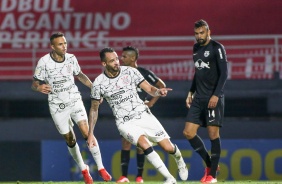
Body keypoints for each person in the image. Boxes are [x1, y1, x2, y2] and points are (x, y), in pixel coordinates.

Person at [87, 47, 188, 184]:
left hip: (143, 114)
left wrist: (158, 92)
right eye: (112, 60)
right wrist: (90, 133)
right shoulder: (98, 83)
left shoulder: (131, 72)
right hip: (125, 122)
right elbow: (94, 109)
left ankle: (179, 160)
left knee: (168, 147)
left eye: (117, 58)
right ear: (104, 64)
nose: (117, 62)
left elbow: (150, 88)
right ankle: (170, 178)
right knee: (143, 144)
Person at [31, 32, 111, 184]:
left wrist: (95, 89)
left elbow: (79, 75)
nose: (64, 46)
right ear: (52, 46)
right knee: (70, 139)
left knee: (88, 132)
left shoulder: (71, 58)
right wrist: (39, 87)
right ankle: (83, 168)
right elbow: (35, 83)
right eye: (60, 44)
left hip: (74, 99)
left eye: (65, 43)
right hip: (57, 105)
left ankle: (101, 168)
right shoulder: (44, 62)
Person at [183, 19, 228, 183]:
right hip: (198, 98)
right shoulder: (195, 48)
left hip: (213, 97)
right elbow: (198, 72)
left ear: (209, 32)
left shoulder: (217, 48)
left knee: (213, 134)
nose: (199, 36)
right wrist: (191, 90)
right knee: (188, 132)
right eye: (196, 33)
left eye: (202, 33)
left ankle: (212, 177)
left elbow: (224, 74)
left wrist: (216, 95)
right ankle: (210, 164)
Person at [116, 46, 166, 183]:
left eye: (124, 56)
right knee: (126, 142)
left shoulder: (143, 72)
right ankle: (124, 176)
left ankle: (139, 176)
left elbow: (161, 85)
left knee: (140, 144)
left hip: (141, 112)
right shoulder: (120, 73)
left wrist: (151, 103)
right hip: (126, 113)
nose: (121, 58)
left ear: (133, 58)